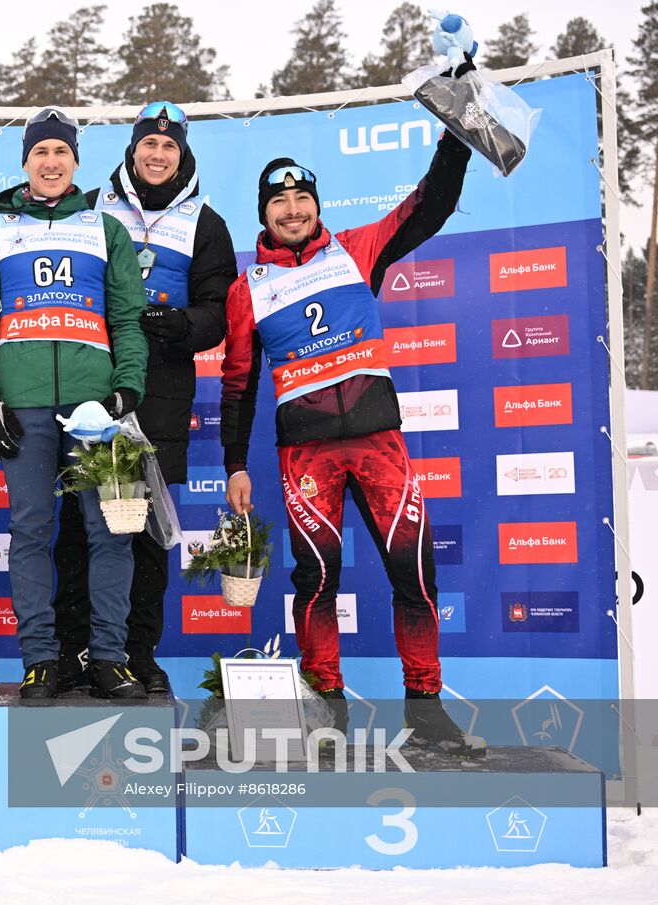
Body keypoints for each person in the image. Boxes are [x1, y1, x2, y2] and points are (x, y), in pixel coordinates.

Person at [218, 124, 484, 756]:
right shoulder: (246, 289)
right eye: (277, 203)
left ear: (317, 204)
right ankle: (327, 712)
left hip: (378, 444)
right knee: (315, 580)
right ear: (264, 214)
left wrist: (457, 133)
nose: (291, 210)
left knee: (415, 576)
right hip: (305, 454)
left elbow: (432, 205)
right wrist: (234, 463)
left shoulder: (358, 250)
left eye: (301, 198)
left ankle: (425, 709)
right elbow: (237, 384)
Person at [0, 108, 150, 700]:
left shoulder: (105, 228)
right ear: (25, 162)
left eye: (60, 153)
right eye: (40, 152)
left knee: (110, 532)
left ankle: (109, 657)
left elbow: (126, 316)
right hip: (25, 405)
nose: (50, 162)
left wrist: (127, 388)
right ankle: (41, 657)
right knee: (31, 532)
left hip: (95, 412)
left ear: (75, 162)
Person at [52, 101, 236, 696]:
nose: (157, 156)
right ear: (132, 152)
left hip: (161, 388)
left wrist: (182, 324)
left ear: (182, 155)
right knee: (81, 524)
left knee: (147, 525)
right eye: (147, 147)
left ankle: (138, 651)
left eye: (169, 148)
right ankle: (76, 649)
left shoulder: (205, 222)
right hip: (90, 381)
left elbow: (220, 312)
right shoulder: (92, 208)